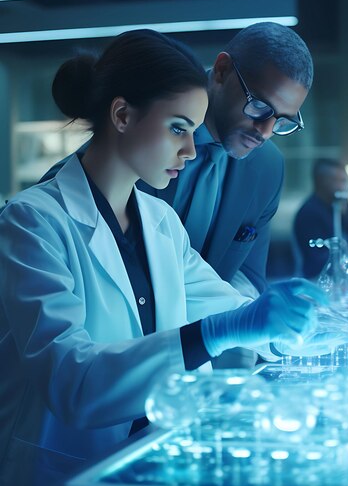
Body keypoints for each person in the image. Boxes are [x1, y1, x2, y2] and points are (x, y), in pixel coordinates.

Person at [0, 30, 330, 486]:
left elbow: (231, 309)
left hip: (141, 460)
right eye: (179, 128)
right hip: (51, 480)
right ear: (122, 115)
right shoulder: (31, 222)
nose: (193, 150)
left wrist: (295, 331)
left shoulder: (160, 222)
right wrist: (225, 329)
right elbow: (72, 383)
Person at [42, 22, 313, 369]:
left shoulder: (167, 217)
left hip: (175, 377)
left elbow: (229, 288)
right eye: (259, 106)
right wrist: (218, 333)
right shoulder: (50, 210)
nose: (266, 132)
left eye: (283, 120)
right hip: (114, 377)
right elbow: (70, 373)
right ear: (222, 70)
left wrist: (281, 333)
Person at [294, 158, 348, 278]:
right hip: (318, 280)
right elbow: (319, 260)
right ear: (322, 182)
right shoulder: (310, 213)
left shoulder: (335, 209)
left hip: (340, 278)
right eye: (341, 181)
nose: (347, 187)